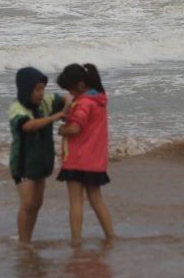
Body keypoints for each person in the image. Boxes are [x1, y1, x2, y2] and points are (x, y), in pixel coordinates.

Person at [56, 63, 116, 243]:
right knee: (97, 201)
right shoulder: (100, 100)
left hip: (76, 160)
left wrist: (62, 130)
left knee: (76, 201)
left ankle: (76, 239)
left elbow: (75, 128)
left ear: (81, 86)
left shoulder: (83, 103)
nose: (71, 94)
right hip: (95, 161)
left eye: (71, 90)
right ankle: (111, 236)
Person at [9, 66, 67, 243]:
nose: (41, 93)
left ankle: (27, 238)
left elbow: (66, 99)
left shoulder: (45, 102)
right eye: (37, 89)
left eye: (43, 88)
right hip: (23, 164)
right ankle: (23, 242)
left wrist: (71, 103)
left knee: (37, 204)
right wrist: (55, 117)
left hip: (41, 162)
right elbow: (28, 126)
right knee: (27, 204)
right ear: (26, 89)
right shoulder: (16, 108)